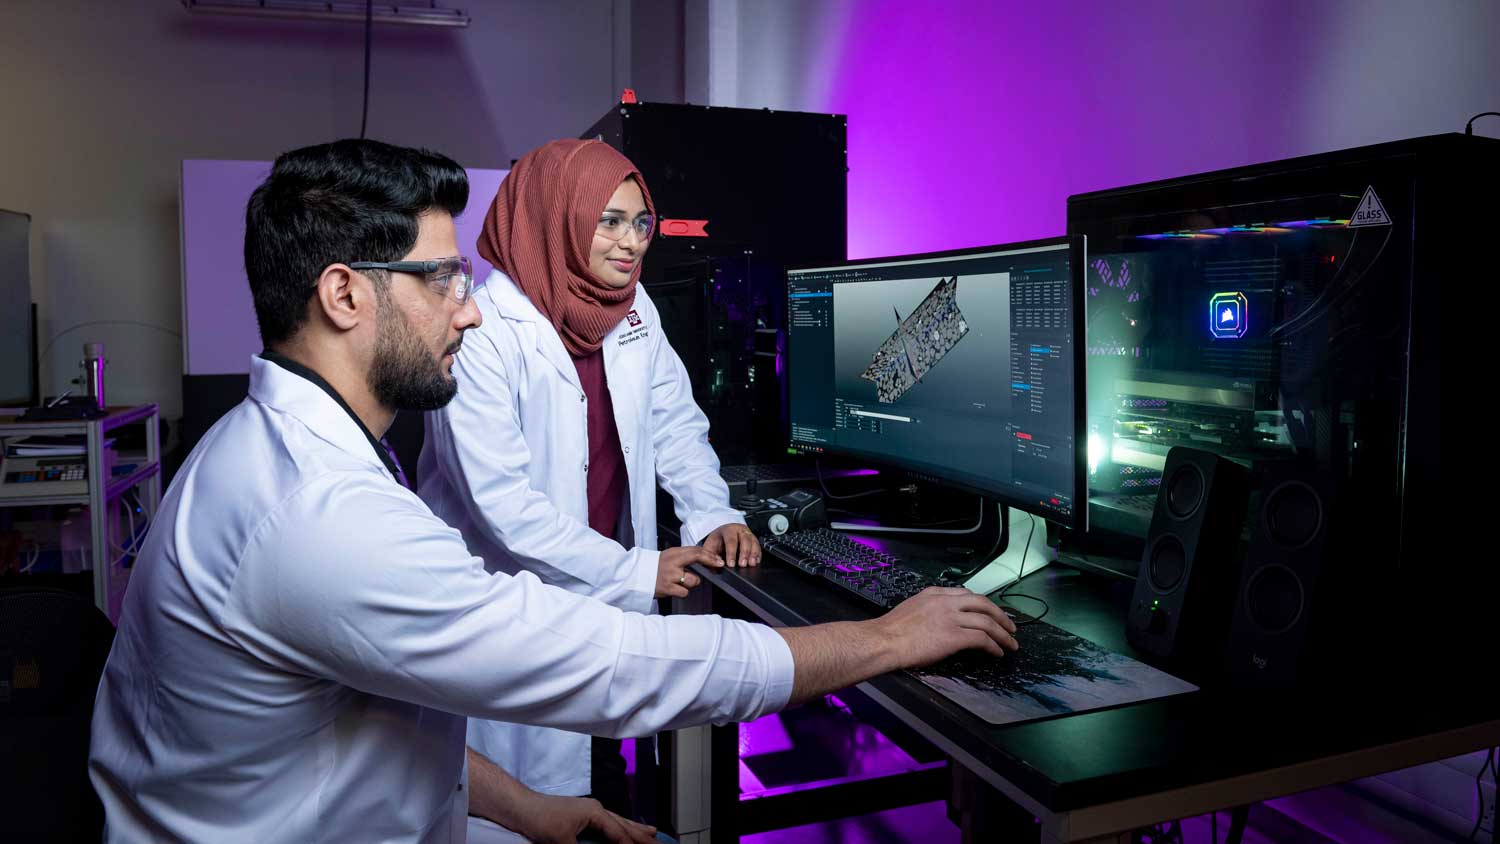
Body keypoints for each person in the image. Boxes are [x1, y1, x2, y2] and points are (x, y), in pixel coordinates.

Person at [87, 139, 1020, 843]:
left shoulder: (269, 451)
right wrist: (888, 638)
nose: (471, 302)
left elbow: (366, 714)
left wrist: (527, 808)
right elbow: (609, 667)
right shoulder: (319, 519)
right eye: (443, 276)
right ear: (343, 295)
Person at [417, 138, 758, 819]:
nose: (630, 242)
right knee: (525, 805)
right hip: (516, 608)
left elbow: (676, 425)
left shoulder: (632, 313)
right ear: (554, 219)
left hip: (602, 604)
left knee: (603, 780)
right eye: (608, 220)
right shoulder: (483, 335)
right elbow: (504, 511)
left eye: (641, 223)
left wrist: (712, 512)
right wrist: (639, 573)